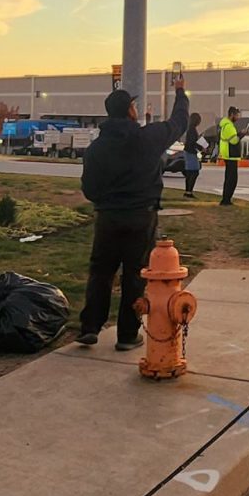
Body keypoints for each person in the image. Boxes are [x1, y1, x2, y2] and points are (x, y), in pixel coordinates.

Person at [78, 81, 189, 349]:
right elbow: (179, 122)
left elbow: (89, 189)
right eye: (134, 105)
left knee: (101, 272)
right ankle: (127, 335)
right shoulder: (148, 137)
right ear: (130, 110)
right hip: (141, 216)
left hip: (108, 218)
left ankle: (90, 327)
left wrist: (107, 200)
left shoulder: (96, 149)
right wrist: (179, 91)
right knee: (135, 274)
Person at [218, 107, 243, 205]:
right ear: (232, 114)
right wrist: (242, 134)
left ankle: (226, 199)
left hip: (228, 154)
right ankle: (226, 200)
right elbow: (234, 140)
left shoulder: (226, 124)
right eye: (237, 115)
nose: (238, 117)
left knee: (229, 178)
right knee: (232, 179)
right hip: (230, 154)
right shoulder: (229, 126)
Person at [180, 112, 204, 197]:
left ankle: (188, 191)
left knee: (190, 172)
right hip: (191, 152)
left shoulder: (190, 129)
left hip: (188, 152)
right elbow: (193, 142)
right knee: (194, 172)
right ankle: (189, 192)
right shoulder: (192, 130)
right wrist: (201, 147)